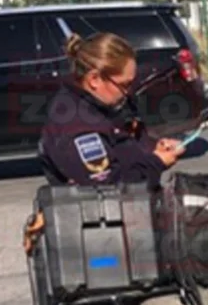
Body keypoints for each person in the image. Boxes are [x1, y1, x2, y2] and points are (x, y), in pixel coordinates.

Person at [39, 31, 183, 188]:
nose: (128, 92)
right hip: (106, 210)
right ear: (94, 79)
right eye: (124, 85)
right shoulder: (78, 127)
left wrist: (153, 148)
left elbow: (126, 145)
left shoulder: (102, 105)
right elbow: (108, 189)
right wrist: (157, 162)